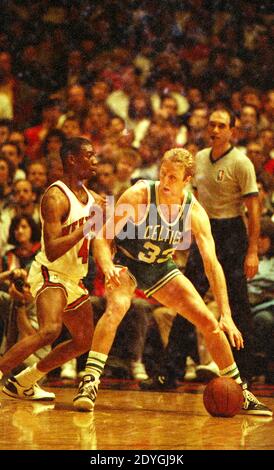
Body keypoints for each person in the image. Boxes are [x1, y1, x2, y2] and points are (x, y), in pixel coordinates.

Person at [73, 147, 272, 416]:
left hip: (159, 267)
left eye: (173, 178)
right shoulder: (138, 195)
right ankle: (90, 382)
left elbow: (212, 264)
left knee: (211, 324)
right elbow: (102, 236)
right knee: (116, 308)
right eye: (163, 174)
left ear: (186, 180)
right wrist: (107, 265)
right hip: (127, 262)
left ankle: (239, 391)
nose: (166, 182)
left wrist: (226, 312)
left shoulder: (194, 211)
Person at [144, 107, 261, 389]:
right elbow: (189, 200)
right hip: (204, 229)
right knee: (187, 301)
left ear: (232, 131)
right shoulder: (197, 159)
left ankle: (243, 374)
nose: (216, 130)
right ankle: (169, 372)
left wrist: (252, 250)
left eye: (222, 125)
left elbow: (253, 208)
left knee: (236, 305)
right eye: (212, 125)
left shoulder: (241, 162)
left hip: (232, 232)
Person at [0, 137, 99, 401]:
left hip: (74, 277)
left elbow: (101, 240)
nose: (95, 160)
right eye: (89, 155)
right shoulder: (55, 197)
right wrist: (87, 226)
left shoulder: (96, 200)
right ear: (72, 159)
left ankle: (24, 382)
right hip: (50, 272)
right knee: (50, 330)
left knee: (83, 340)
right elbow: (53, 249)